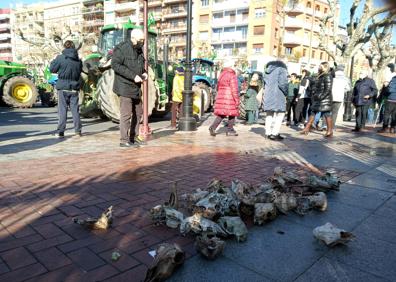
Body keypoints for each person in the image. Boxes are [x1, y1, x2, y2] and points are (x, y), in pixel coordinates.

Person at [112, 29, 148, 148]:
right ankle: (124, 140)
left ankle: (134, 136)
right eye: (140, 40)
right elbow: (115, 65)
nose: (142, 42)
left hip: (136, 87)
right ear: (133, 38)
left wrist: (144, 72)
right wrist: (133, 76)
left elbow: (140, 65)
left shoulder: (138, 49)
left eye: (143, 40)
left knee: (138, 112)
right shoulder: (121, 49)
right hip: (124, 86)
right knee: (126, 114)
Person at [50, 40, 83, 138]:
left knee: (62, 110)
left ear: (64, 47)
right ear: (73, 48)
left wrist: (53, 60)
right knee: (75, 110)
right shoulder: (78, 61)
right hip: (74, 87)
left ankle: (61, 131)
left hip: (63, 87)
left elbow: (52, 69)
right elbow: (79, 73)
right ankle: (78, 131)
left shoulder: (60, 58)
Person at [301, 62, 333, 137]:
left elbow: (328, 89)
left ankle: (329, 131)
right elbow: (315, 84)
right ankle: (306, 128)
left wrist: (320, 97)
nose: (319, 67)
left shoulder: (327, 76)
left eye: (320, 66)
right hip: (318, 98)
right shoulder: (320, 75)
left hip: (324, 99)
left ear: (325, 67)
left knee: (326, 113)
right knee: (313, 112)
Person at [209, 59, 239, 137]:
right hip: (229, 97)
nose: (234, 67)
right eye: (234, 66)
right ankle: (230, 130)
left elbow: (218, 87)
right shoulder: (232, 75)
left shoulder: (221, 74)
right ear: (231, 66)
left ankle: (212, 127)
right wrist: (237, 100)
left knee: (222, 114)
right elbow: (234, 89)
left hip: (222, 96)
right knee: (232, 114)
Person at [263, 60, 288, 140]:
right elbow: (283, 83)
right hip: (278, 94)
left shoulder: (266, 71)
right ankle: (275, 133)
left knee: (269, 113)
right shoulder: (282, 69)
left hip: (268, 94)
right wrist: (286, 92)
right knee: (280, 114)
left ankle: (267, 133)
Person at [331, 64, 351, 129]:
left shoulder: (332, 75)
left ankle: (324, 125)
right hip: (339, 97)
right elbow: (348, 88)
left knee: (327, 111)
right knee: (335, 112)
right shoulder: (346, 78)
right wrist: (342, 91)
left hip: (330, 96)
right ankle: (332, 126)